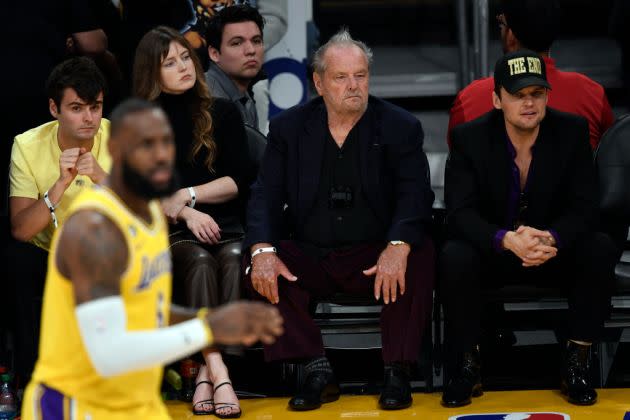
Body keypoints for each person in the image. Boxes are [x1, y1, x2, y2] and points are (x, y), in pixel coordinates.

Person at [20, 98, 283, 420]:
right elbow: (111, 347)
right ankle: (215, 369)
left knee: (226, 259)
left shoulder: (142, 228)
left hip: (136, 401)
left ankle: (210, 370)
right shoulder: (92, 230)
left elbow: (151, 311)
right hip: (76, 402)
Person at [245, 28, 435, 411]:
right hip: (312, 254)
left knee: (419, 251)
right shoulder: (289, 129)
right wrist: (262, 250)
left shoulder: (400, 126)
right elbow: (265, 193)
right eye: (341, 77)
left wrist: (397, 246)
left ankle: (397, 371)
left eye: (360, 75)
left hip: (375, 254)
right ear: (318, 82)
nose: (353, 85)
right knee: (256, 262)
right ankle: (316, 368)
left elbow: (417, 196)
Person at [440, 50, 617, 408]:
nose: (529, 102)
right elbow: (460, 212)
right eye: (518, 95)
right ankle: (468, 365)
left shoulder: (571, 131)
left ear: (547, 96)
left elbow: (585, 207)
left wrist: (550, 238)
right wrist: (505, 240)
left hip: (550, 251)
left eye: (536, 93)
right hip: (496, 252)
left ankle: (577, 362)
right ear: (496, 99)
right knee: (454, 255)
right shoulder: (469, 139)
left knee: (599, 246)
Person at [133, 26, 253, 417]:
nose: (183, 67)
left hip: (227, 224)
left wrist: (189, 195)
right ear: (153, 73)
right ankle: (220, 369)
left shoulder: (222, 110)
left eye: (185, 57)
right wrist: (184, 212)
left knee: (234, 257)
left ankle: (206, 368)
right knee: (200, 262)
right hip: (172, 232)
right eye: (170, 63)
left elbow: (238, 179)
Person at [6, 57, 110, 383]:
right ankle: (30, 382)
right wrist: (59, 186)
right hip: (48, 252)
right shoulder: (27, 145)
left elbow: (145, 217)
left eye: (95, 107)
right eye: (77, 108)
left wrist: (103, 178)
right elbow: (21, 229)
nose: (89, 118)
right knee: (15, 262)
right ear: (54, 109)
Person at [447, 0, 614, 150]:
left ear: (511, 36)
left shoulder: (469, 98)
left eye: (501, 24)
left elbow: (456, 166)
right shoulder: (592, 94)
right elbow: (610, 160)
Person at [204, 4, 265, 128]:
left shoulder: (245, 98)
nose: (251, 50)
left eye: (256, 41)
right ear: (214, 53)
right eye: (237, 43)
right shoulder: (207, 100)